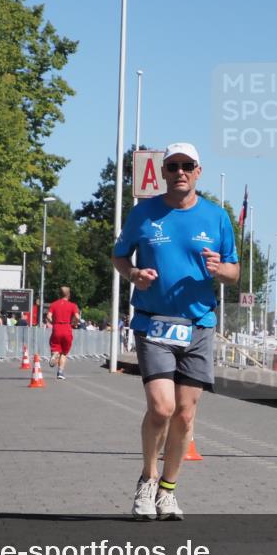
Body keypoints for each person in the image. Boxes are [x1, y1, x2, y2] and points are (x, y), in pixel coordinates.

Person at [112, 142, 239, 521]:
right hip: (153, 322)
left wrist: (220, 270)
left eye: (187, 165)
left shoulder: (217, 217)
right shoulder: (144, 213)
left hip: (198, 325)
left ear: (198, 171)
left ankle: (168, 490)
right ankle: (147, 479)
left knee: (184, 415)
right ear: (163, 172)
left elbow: (234, 271)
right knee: (161, 407)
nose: (180, 172)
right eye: (173, 166)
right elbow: (119, 255)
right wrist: (133, 273)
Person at [46, 286, 81, 380]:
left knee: (55, 347)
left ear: (59, 294)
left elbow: (48, 316)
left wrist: (53, 322)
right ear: (68, 295)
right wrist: (74, 323)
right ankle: (60, 373)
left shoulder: (53, 304)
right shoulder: (73, 305)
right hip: (67, 328)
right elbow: (77, 317)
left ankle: (55, 354)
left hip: (57, 328)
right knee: (64, 353)